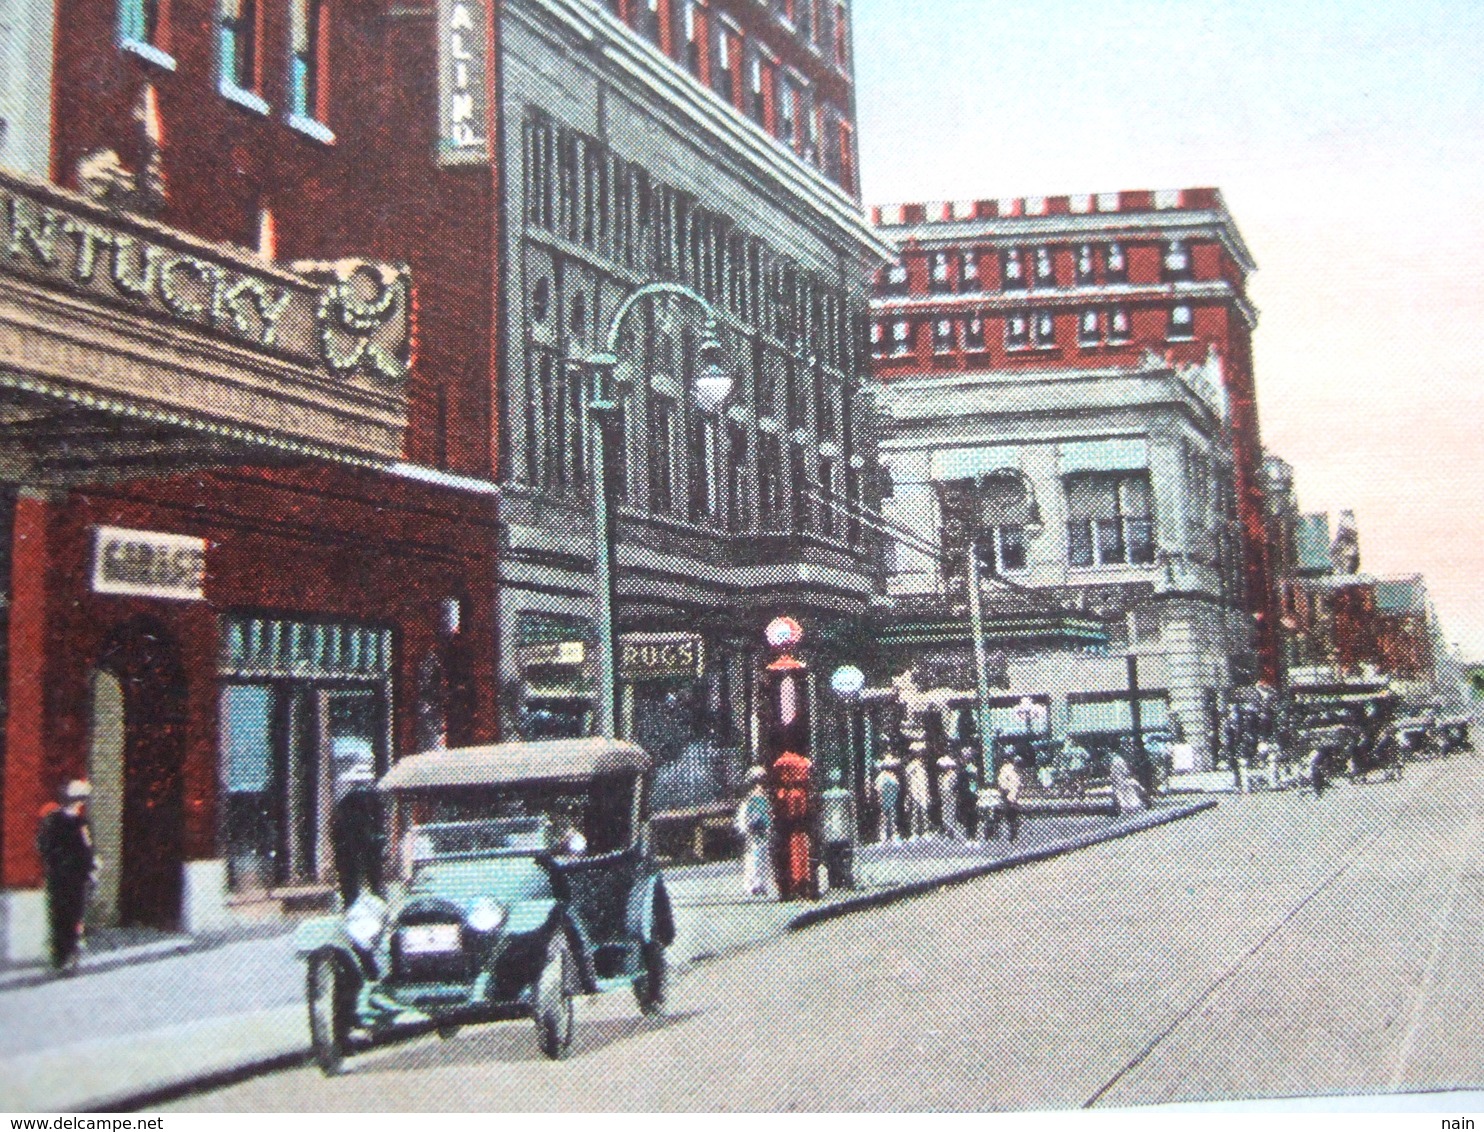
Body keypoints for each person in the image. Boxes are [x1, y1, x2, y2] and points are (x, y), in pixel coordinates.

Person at [36, 780, 97, 973]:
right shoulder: (76, 823)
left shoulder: (57, 820)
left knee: (63, 914)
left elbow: (44, 846)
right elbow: (86, 850)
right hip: (71, 876)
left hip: (63, 876)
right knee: (69, 914)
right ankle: (65, 954)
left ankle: (62, 955)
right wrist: (89, 869)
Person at [331, 774, 383, 906]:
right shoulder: (372, 797)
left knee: (351, 879)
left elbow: (337, 826)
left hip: (350, 845)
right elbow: (379, 820)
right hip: (363, 843)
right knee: (373, 877)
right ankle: (376, 898)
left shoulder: (346, 800)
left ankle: (351, 902)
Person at [734, 766, 773, 897]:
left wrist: (769, 826)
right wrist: (746, 827)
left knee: (764, 856)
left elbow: (769, 814)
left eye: (761, 781)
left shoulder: (766, 799)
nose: (758, 785)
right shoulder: (748, 800)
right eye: (756, 782)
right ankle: (751, 884)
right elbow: (743, 815)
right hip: (752, 832)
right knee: (752, 856)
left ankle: (762, 884)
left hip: (764, 831)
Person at [984, 757, 1023, 842]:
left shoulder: (1012, 771)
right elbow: (1004, 785)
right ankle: (993, 834)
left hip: (1010, 798)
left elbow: (1013, 785)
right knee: (1004, 817)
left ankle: (1010, 837)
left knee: (1008, 818)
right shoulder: (1008, 770)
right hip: (1008, 798)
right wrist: (1008, 794)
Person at [903, 749, 931, 841]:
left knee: (924, 812)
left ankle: (925, 832)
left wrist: (926, 793)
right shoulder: (911, 766)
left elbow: (925, 780)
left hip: (922, 792)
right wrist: (909, 792)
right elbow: (907, 778)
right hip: (914, 791)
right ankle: (914, 833)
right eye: (917, 753)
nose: (919, 755)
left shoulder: (923, 766)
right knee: (914, 812)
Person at [873, 757, 901, 843]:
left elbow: (897, 787)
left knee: (892, 817)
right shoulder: (881, 776)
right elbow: (878, 788)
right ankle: (883, 836)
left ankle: (893, 834)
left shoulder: (893, 776)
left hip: (891, 799)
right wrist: (880, 797)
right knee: (883, 817)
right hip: (884, 799)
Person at [936, 752, 963, 838]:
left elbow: (954, 785)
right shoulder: (941, 776)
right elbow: (940, 786)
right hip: (944, 794)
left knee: (951, 811)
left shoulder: (953, 775)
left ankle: (952, 829)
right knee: (945, 811)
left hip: (951, 794)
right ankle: (947, 829)